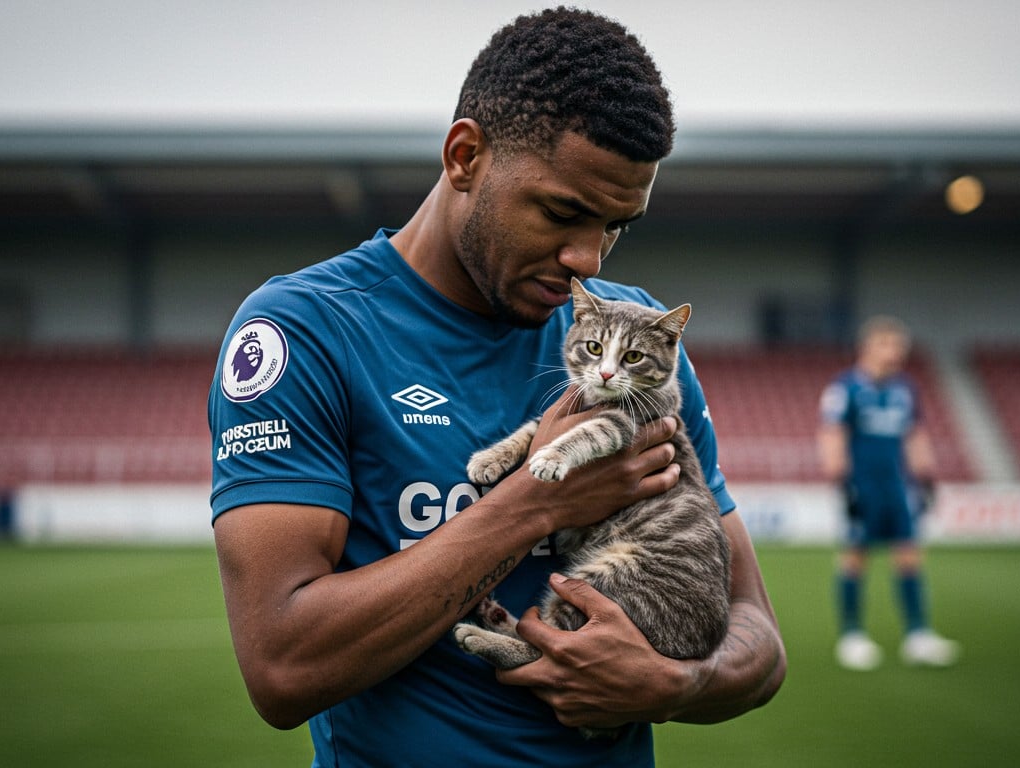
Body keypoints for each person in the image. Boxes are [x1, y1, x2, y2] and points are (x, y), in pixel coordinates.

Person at [207, 9, 785, 767]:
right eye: (563, 212)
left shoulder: (635, 336)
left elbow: (759, 639)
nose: (588, 258)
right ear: (465, 156)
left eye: (617, 226)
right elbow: (283, 669)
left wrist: (678, 683)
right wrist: (536, 502)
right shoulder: (305, 330)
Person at [817, 315, 960, 670]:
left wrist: (926, 478)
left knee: (909, 555)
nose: (894, 352)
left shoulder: (904, 389)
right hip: (862, 486)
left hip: (897, 486)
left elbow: (914, 434)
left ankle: (918, 635)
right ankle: (852, 636)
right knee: (855, 557)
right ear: (867, 348)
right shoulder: (846, 388)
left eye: (899, 346)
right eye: (887, 344)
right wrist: (841, 483)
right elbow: (832, 434)